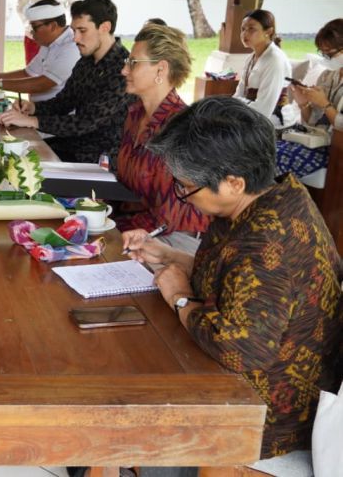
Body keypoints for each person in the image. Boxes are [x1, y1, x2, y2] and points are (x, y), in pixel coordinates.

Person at [123, 97, 342, 469]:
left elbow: (240, 350)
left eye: (187, 188)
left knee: (140, 395)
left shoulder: (268, 240)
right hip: (259, 379)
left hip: (268, 413)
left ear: (234, 182)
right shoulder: (275, 195)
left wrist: (179, 296)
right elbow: (239, 279)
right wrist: (173, 257)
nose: (183, 197)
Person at [0, 0, 131, 163]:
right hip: (74, 145)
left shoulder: (123, 69)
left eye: (82, 31)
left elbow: (85, 122)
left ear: (105, 27)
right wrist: (32, 108)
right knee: (10, 153)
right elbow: (64, 102)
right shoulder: (86, 62)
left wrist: (31, 120)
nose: (75, 38)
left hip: (100, 160)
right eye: (74, 30)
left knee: (21, 162)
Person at [116, 24, 209, 235]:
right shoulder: (135, 114)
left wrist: (109, 231)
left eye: (133, 63)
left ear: (161, 69)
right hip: (134, 230)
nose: (124, 70)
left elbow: (167, 218)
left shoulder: (183, 127)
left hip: (170, 239)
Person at [277, 18, 343, 177]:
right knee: (263, 150)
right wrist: (303, 103)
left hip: (334, 149)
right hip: (315, 140)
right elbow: (313, 122)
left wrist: (325, 104)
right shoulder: (328, 76)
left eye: (330, 53)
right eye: (323, 53)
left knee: (276, 158)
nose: (326, 58)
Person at [0, 0, 79, 103]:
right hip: (37, 110)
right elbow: (28, 73)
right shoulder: (49, 43)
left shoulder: (72, 47)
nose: (31, 32)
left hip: (58, 116)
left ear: (53, 26)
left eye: (35, 27)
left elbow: (41, 84)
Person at [233, 9, 290, 121]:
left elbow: (264, 109)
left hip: (271, 122)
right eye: (243, 29)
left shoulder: (274, 60)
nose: (244, 34)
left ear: (268, 32)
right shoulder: (251, 58)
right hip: (249, 115)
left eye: (251, 29)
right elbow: (238, 94)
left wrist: (236, 105)